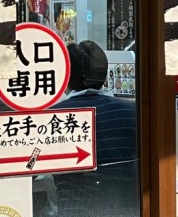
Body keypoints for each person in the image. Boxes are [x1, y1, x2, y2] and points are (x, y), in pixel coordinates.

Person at [57, 40, 137, 178]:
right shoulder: (133, 112)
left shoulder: (55, 116)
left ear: (65, 76)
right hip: (128, 197)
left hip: (71, 198)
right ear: (105, 74)